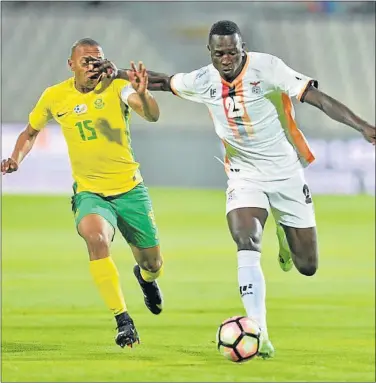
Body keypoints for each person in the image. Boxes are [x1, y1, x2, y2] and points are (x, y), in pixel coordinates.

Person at [91, 20, 375, 358]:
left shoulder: (268, 67)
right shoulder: (204, 79)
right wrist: (119, 71)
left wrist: (362, 126)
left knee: (307, 265)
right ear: (209, 52)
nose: (227, 59)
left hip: (285, 172)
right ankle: (259, 332)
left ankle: (285, 237)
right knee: (246, 239)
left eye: (233, 52)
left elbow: (317, 98)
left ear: (243, 49)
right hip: (244, 174)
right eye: (219, 53)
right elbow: (164, 81)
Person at [1, 38, 165, 349]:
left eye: (98, 59)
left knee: (153, 264)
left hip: (130, 189)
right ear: (71, 64)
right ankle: (123, 320)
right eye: (86, 60)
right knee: (96, 237)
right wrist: (15, 159)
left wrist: (142, 93)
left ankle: (145, 279)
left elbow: (152, 115)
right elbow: (31, 131)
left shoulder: (117, 87)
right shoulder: (55, 96)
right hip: (90, 191)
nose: (93, 65)